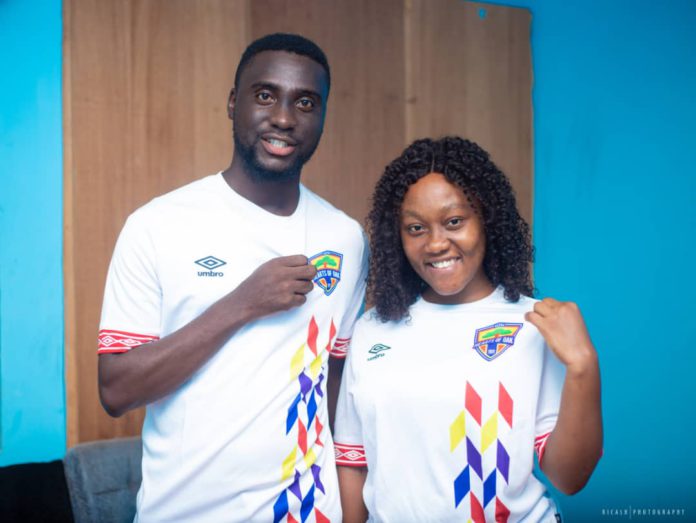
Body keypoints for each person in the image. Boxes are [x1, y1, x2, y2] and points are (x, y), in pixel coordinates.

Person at [97, 33, 367, 522]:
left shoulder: (345, 238)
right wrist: (241, 303)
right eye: (265, 95)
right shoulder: (158, 225)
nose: (284, 117)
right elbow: (116, 390)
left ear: (322, 117)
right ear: (232, 102)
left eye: (305, 102)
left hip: (309, 512)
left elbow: (336, 383)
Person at [334, 137, 602, 522]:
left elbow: (570, 477)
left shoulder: (533, 325)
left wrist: (583, 366)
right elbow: (353, 462)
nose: (436, 243)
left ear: (487, 219)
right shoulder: (372, 331)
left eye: (454, 221)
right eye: (415, 228)